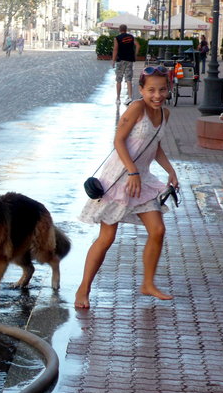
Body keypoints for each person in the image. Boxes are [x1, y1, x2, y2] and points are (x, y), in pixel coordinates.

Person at [76, 65, 178, 309]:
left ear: (169, 89)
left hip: (142, 180)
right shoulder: (136, 108)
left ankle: (148, 284)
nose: (157, 95)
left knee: (157, 230)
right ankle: (83, 289)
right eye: (151, 90)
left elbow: (156, 146)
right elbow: (118, 141)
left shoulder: (165, 114)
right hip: (119, 178)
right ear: (141, 89)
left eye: (162, 89)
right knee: (107, 237)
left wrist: (171, 171)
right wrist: (132, 170)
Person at [112, 24, 139, 106]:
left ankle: (118, 98)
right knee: (129, 79)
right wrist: (135, 54)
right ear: (126, 30)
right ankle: (130, 97)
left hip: (120, 60)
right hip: (129, 60)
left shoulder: (117, 38)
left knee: (119, 80)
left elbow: (115, 49)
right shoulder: (131, 37)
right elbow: (138, 45)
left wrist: (113, 60)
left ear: (119, 30)